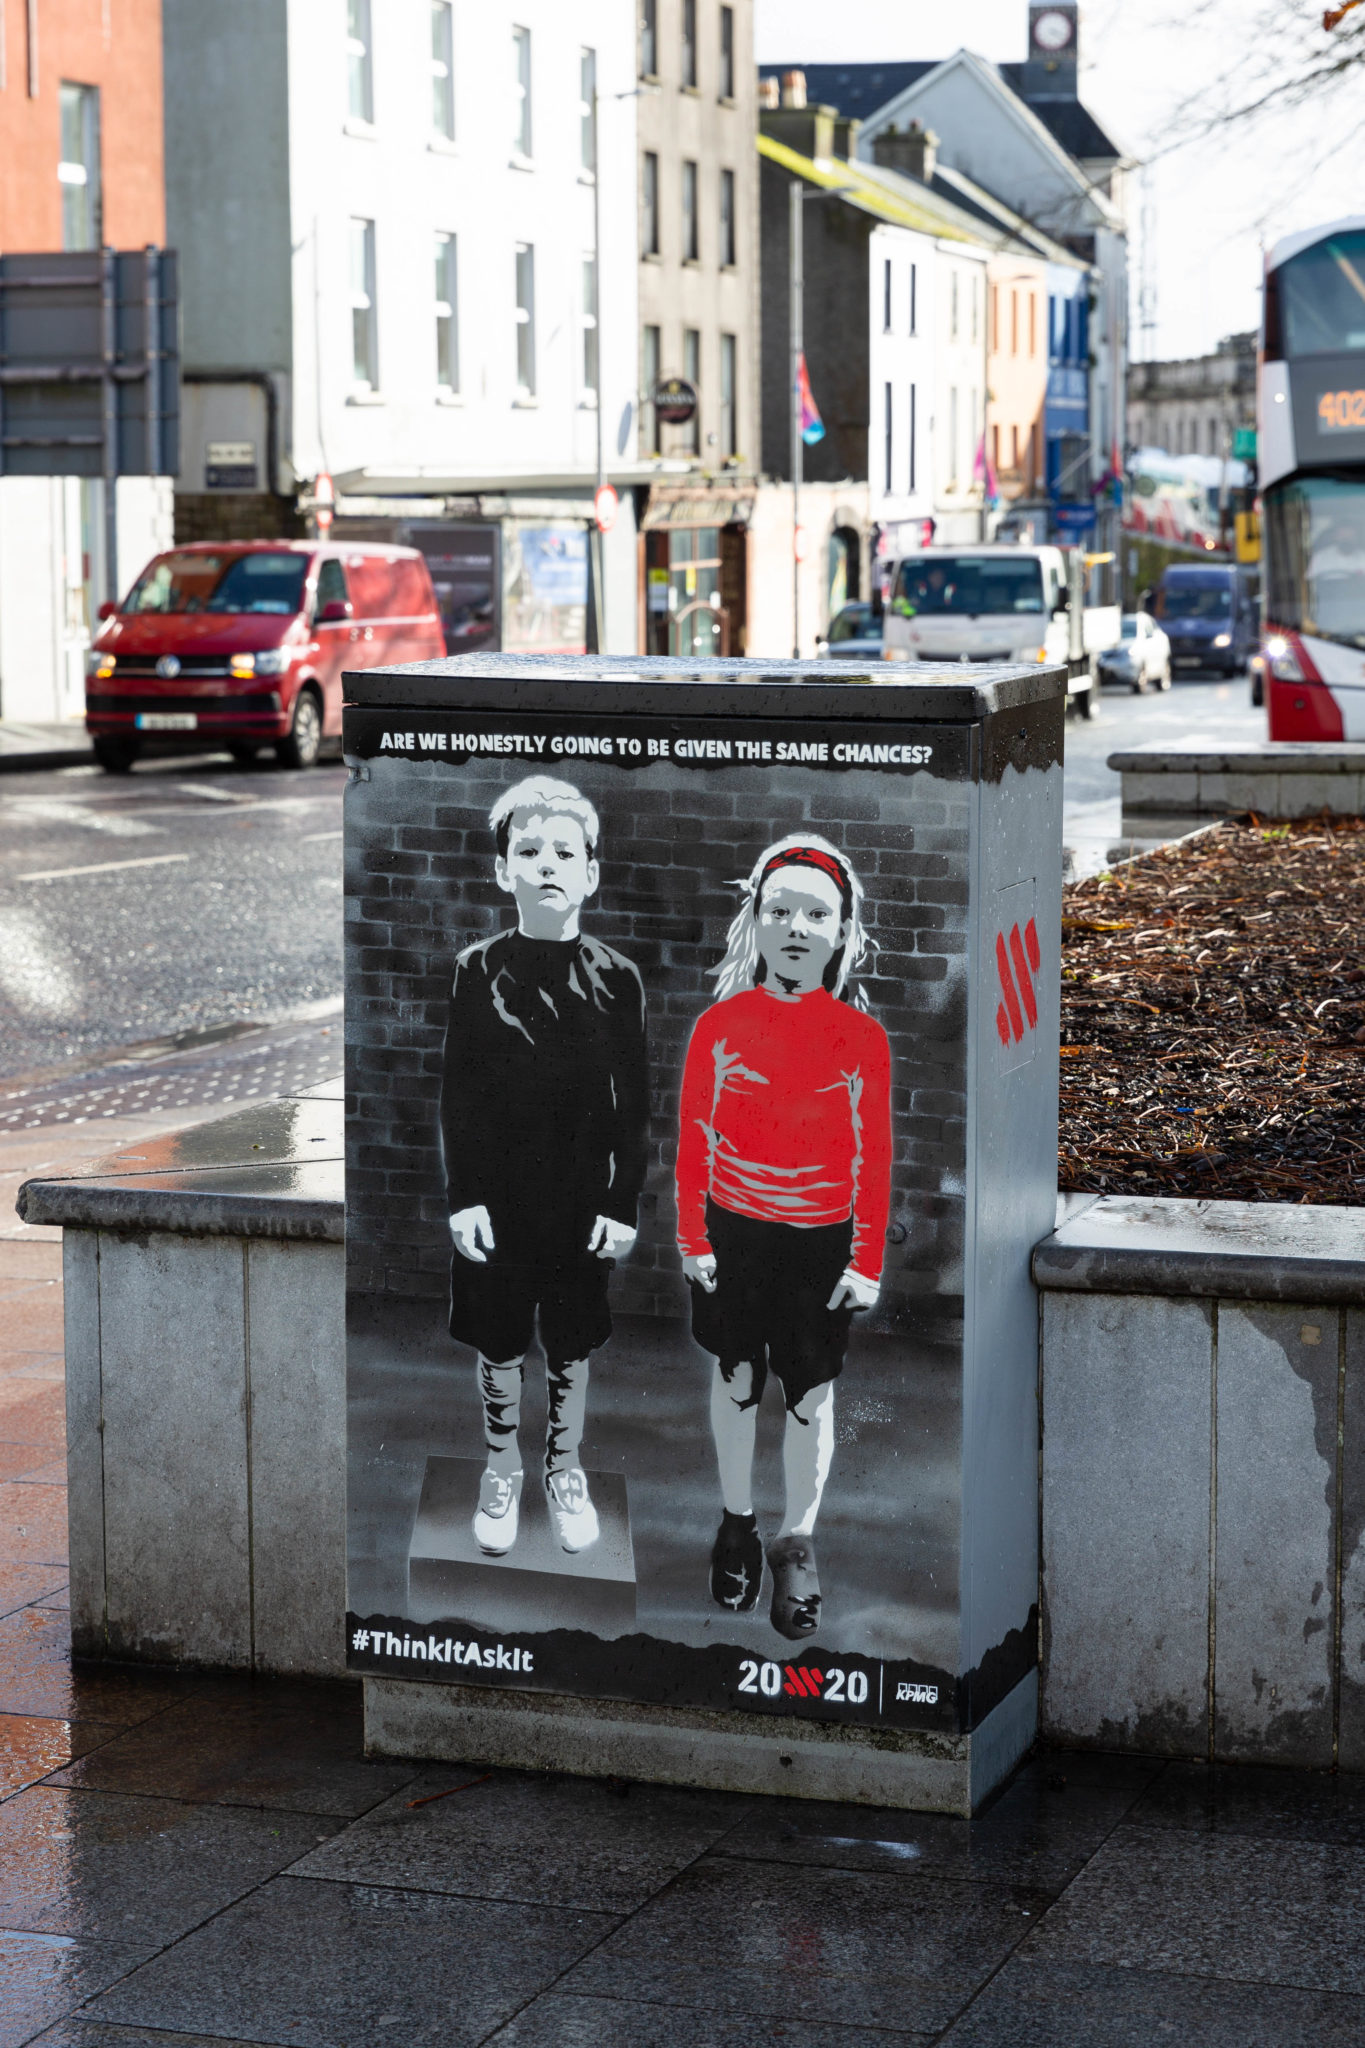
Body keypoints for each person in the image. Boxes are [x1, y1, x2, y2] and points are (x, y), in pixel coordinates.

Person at [676, 835, 892, 1641]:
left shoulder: (858, 1039)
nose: (796, 927)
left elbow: (874, 1156)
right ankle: (736, 1523)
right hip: (733, 1238)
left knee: (808, 1395)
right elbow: (692, 1139)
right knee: (736, 1378)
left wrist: (865, 1260)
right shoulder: (720, 1026)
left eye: (816, 914)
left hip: (819, 1247)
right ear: (755, 923)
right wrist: (692, 1239)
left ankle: (794, 1541)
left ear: (842, 931)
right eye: (780, 911)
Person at [440, 776, 647, 1558]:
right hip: (498, 1199)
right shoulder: (475, 970)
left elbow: (636, 1107)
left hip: (579, 1199)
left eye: (565, 851)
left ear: (591, 872)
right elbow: (458, 1094)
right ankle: (501, 1466)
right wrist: (464, 1197)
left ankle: (564, 1467)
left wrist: (622, 1203)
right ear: (503, 870)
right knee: (498, 1337)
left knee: (569, 1341)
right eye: (528, 850)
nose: (546, 864)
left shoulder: (615, 979)